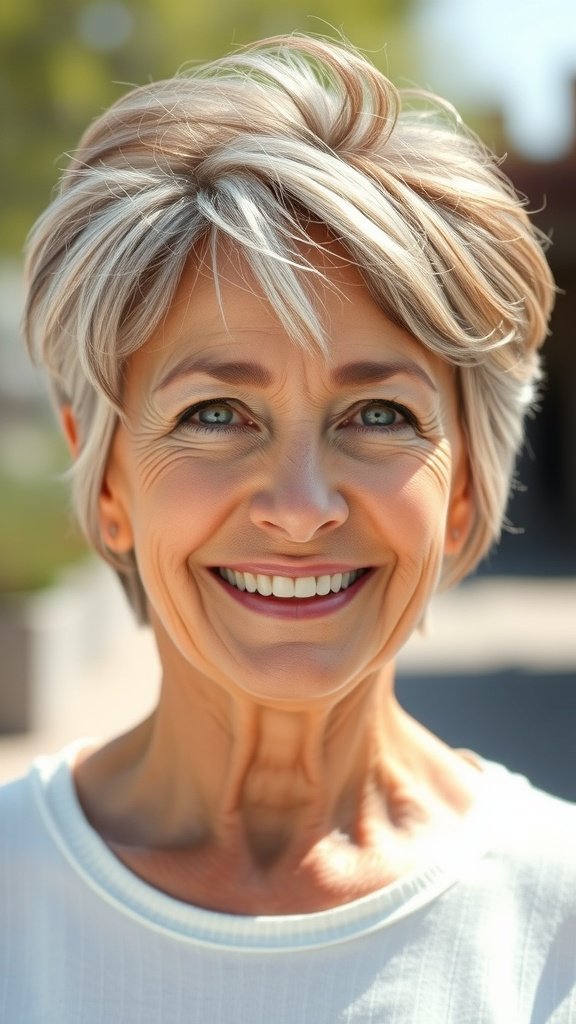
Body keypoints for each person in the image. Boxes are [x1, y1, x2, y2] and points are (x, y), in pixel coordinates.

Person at [1, 34, 574, 1023]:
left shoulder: (558, 921)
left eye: (380, 415)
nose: (301, 507)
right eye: (215, 414)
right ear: (108, 484)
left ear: (469, 484)